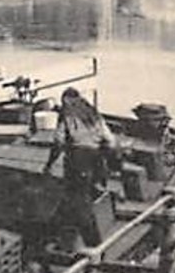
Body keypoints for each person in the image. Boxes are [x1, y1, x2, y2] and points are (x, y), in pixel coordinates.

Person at [41, 87, 118, 250]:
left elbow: (59, 141)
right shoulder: (92, 113)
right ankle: (57, 233)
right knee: (82, 197)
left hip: (78, 160)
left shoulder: (67, 115)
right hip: (96, 159)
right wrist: (109, 162)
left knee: (79, 201)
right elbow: (110, 140)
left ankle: (93, 244)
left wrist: (49, 163)